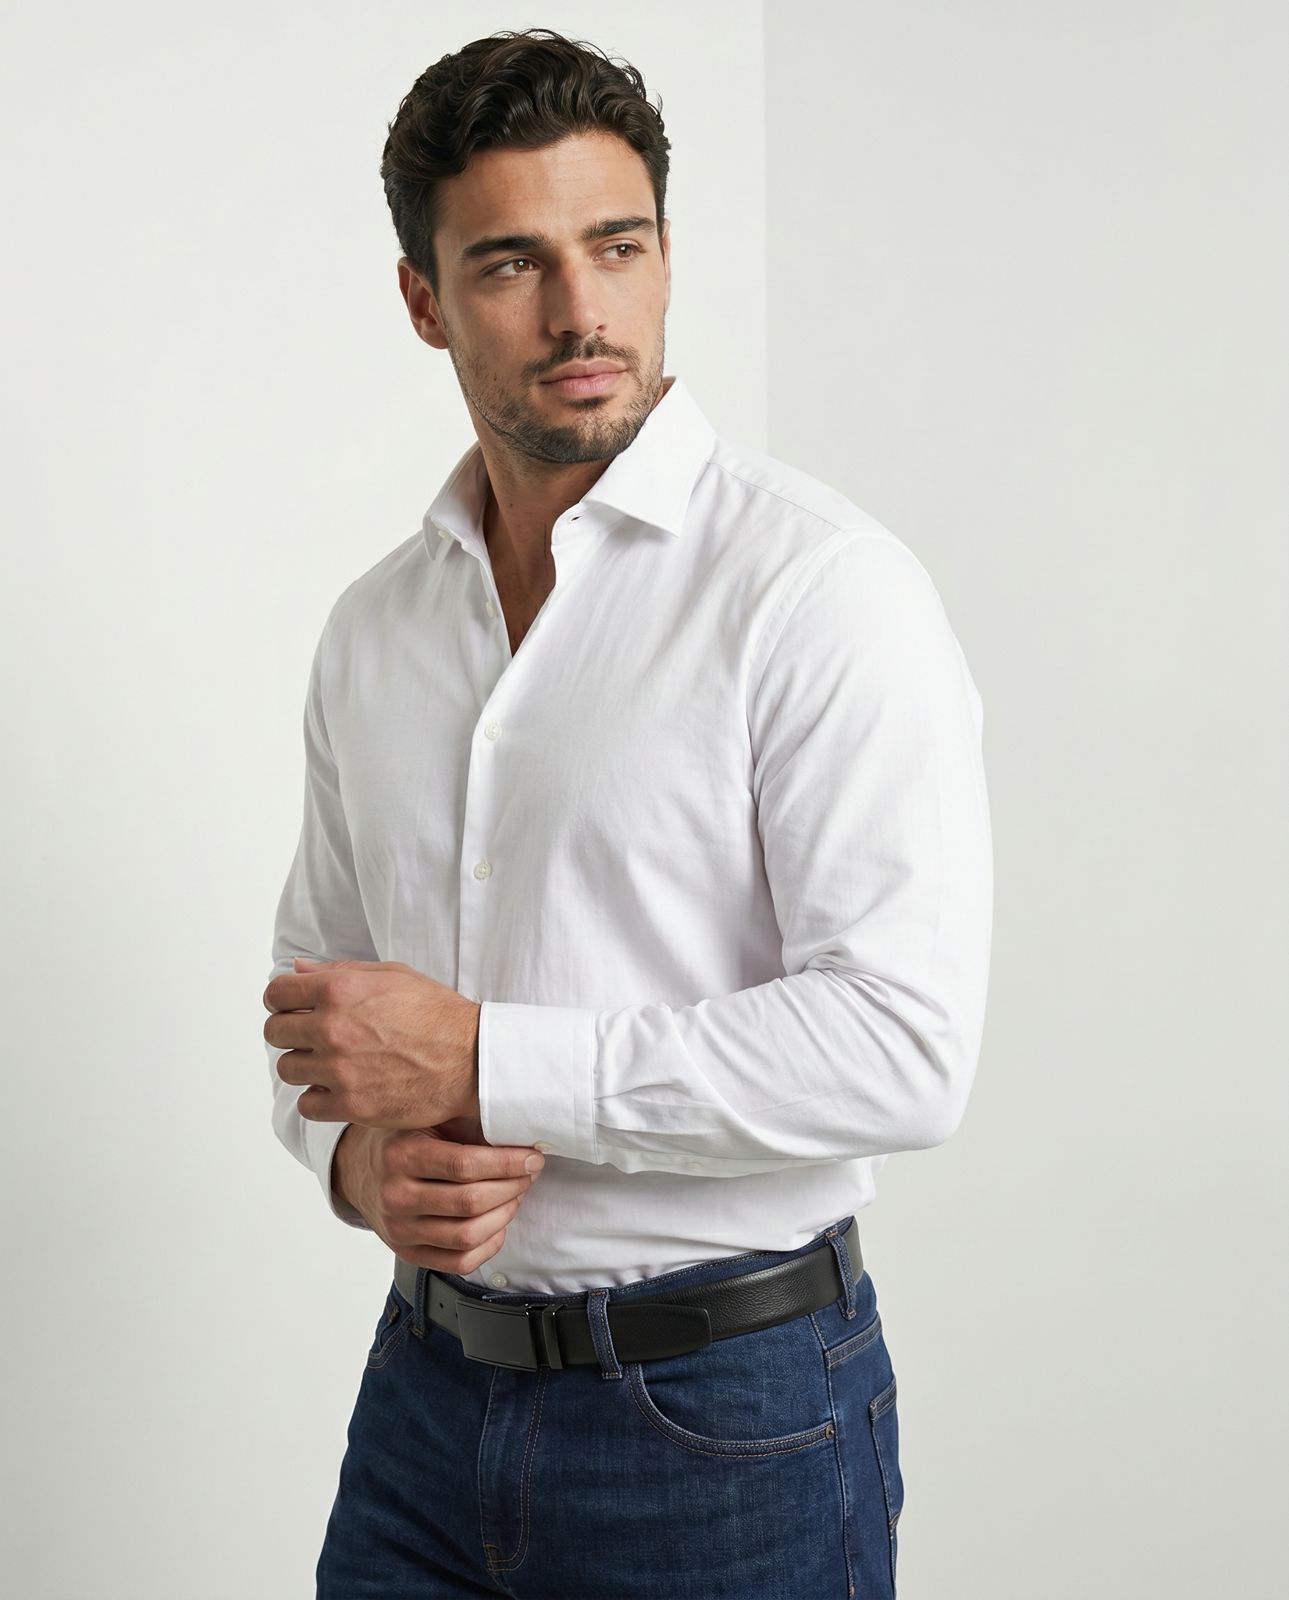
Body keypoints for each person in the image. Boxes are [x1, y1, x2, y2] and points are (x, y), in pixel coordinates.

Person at [261, 26, 993, 1600]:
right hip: (421, 1406)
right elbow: (319, 1015)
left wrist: (482, 1062)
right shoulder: (376, 629)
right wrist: (360, 1166)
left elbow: (904, 1045)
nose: (580, 311)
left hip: (724, 1427)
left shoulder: (817, 592)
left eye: (617, 246)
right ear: (423, 300)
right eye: (510, 264)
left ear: (665, 256)